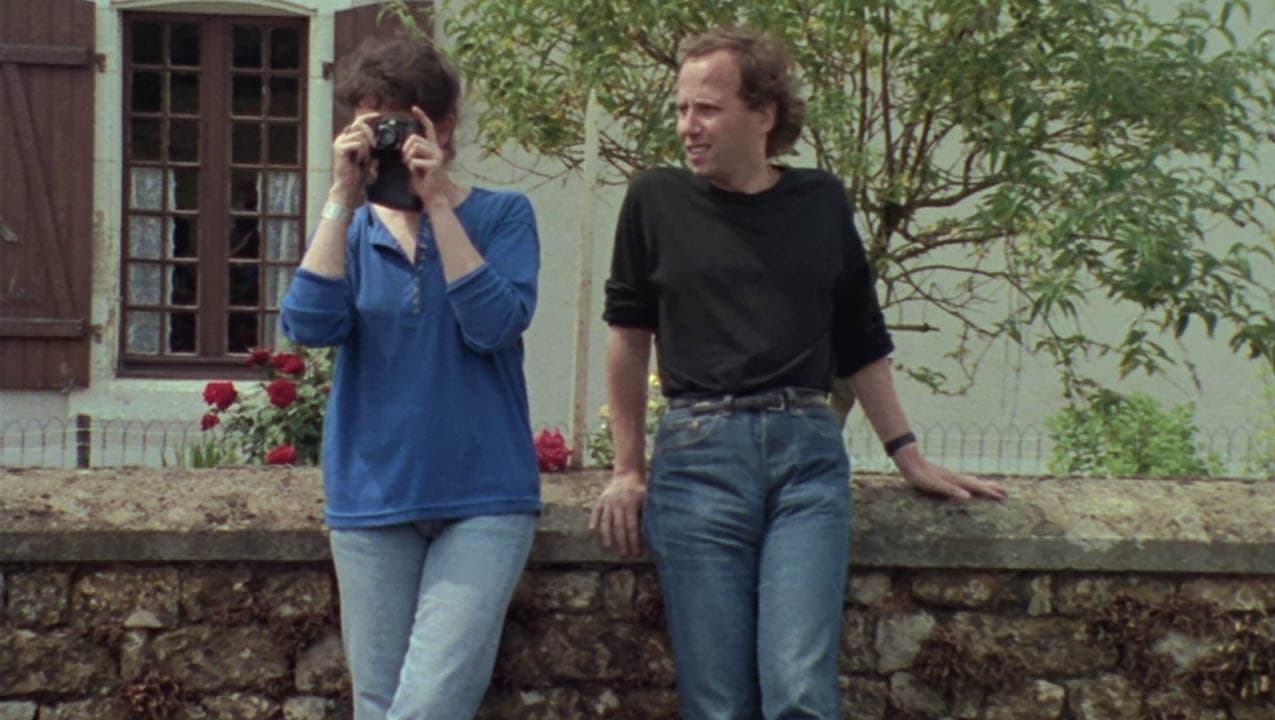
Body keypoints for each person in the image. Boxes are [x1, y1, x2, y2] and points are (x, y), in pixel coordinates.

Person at [589, 27, 1006, 719]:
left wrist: (908, 455)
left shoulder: (819, 201)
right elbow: (628, 339)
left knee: (798, 692)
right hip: (698, 460)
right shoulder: (655, 200)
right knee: (717, 702)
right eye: (681, 109)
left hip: (806, 460)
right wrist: (627, 467)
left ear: (764, 112)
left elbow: (859, 338)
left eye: (706, 109)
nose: (687, 127)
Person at [280, 35, 541, 720]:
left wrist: (438, 206)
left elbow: (492, 326)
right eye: (372, 124)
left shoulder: (502, 215)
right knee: (379, 704)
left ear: (442, 125)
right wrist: (342, 194)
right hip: (371, 498)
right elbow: (308, 325)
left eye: (399, 122)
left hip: (484, 496)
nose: (388, 142)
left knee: (427, 705)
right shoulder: (354, 230)